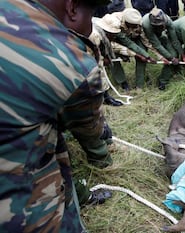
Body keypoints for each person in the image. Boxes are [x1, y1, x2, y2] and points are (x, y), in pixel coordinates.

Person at [0, 0, 114, 231]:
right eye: (90, 16)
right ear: (72, 8)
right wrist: (103, 144)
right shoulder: (71, 60)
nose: (90, 27)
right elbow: (88, 130)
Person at [98, 8, 157, 91]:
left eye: (137, 25)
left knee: (142, 55)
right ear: (127, 22)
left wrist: (146, 55)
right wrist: (136, 54)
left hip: (133, 38)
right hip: (114, 40)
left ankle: (139, 84)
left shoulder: (137, 21)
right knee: (112, 57)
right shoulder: (114, 23)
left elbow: (146, 41)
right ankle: (122, 82)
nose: (136, 27)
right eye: (134, 25)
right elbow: (126, 43)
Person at [143, 8, 185, 90]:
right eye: (159, 26)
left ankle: (176, 70)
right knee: (169, 58)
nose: (162, 26)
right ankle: (162, 81)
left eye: (162, 25)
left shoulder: (168, 20)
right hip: (146, 38)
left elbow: (174, 40)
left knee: (174, 54)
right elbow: (157, 45)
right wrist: (171, 58)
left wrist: (183, 55)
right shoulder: (147, 25)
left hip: (161, 35)